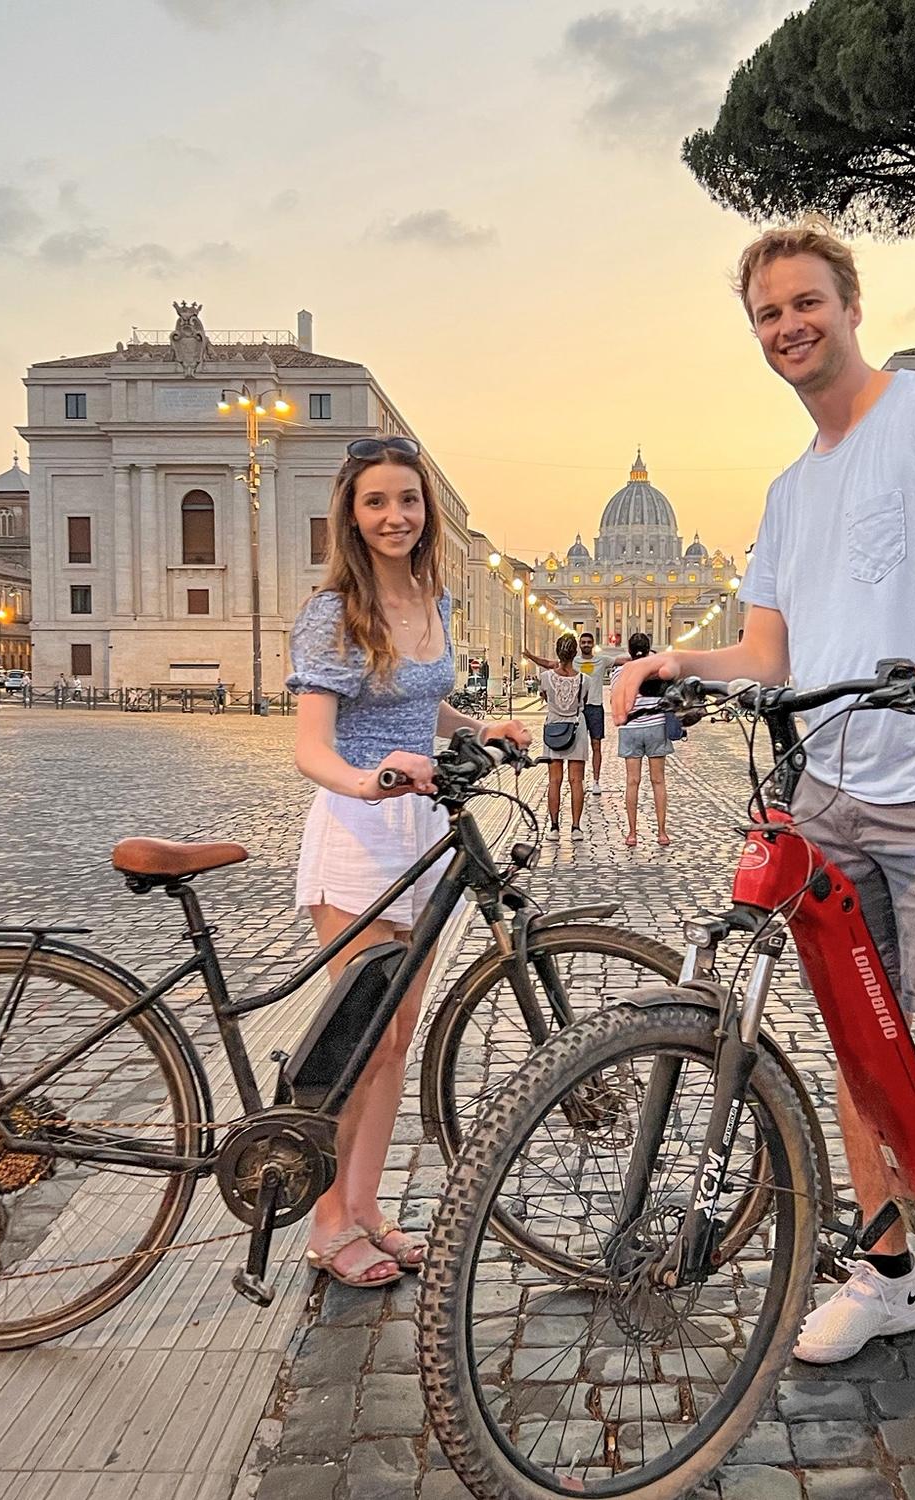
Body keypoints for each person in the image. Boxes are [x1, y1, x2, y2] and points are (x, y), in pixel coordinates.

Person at [613, 220, 915, 1500]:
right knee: (855, 1045)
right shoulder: (786, 491)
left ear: (848, 303)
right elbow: (769, 655)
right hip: (831, 782)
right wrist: (682, 664)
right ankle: (887, 1268)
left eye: (805, 302)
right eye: (767, 314)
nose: (787, 327)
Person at [289, 434, 530, 1288]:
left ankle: (366, 1208)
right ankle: (325, 1223)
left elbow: (423, 710)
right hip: (359, 832)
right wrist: (370, 780)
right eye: (376, 502)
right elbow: (311, 748)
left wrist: (478, 728)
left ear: (426, 513)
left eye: (408, 500)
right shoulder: (333, 612)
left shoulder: (439, 600)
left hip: (424, 831)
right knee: (354, 1043)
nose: (395, 516)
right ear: (351, 518)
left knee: (395, 1040)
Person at [525, 630, 626, 794]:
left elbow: (623, 661)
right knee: (578, 748)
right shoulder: (573, 662)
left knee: (596, 745)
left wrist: (643, 655)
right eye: (583, 642)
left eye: (589, 642)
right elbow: (549, 664)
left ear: (593, 644)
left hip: (595, 707)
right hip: (577, 709)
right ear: (579, 646)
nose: (586, 644)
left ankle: (596, 781)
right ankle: (580, 780)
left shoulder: (602, 659)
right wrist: (530, 656)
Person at [611, 632, 672, 849]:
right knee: (658, 781)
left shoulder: (619, 672)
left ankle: (632, 833)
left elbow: (615, 698)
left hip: (631, 729)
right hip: (655, 726)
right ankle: (662, 832)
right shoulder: (657, 671)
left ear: (629, 650)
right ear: (649, 649)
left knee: (632, 781)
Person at [536, 633, 590, 839]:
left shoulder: (545, 678)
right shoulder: (585, 680)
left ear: (557, 652)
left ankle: (554, 827)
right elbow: (582, 702)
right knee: (576, 781)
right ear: (575, 653)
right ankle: (576, 827)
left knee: (554, 780)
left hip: (553, 728)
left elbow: (545, 697)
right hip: (576, 728)